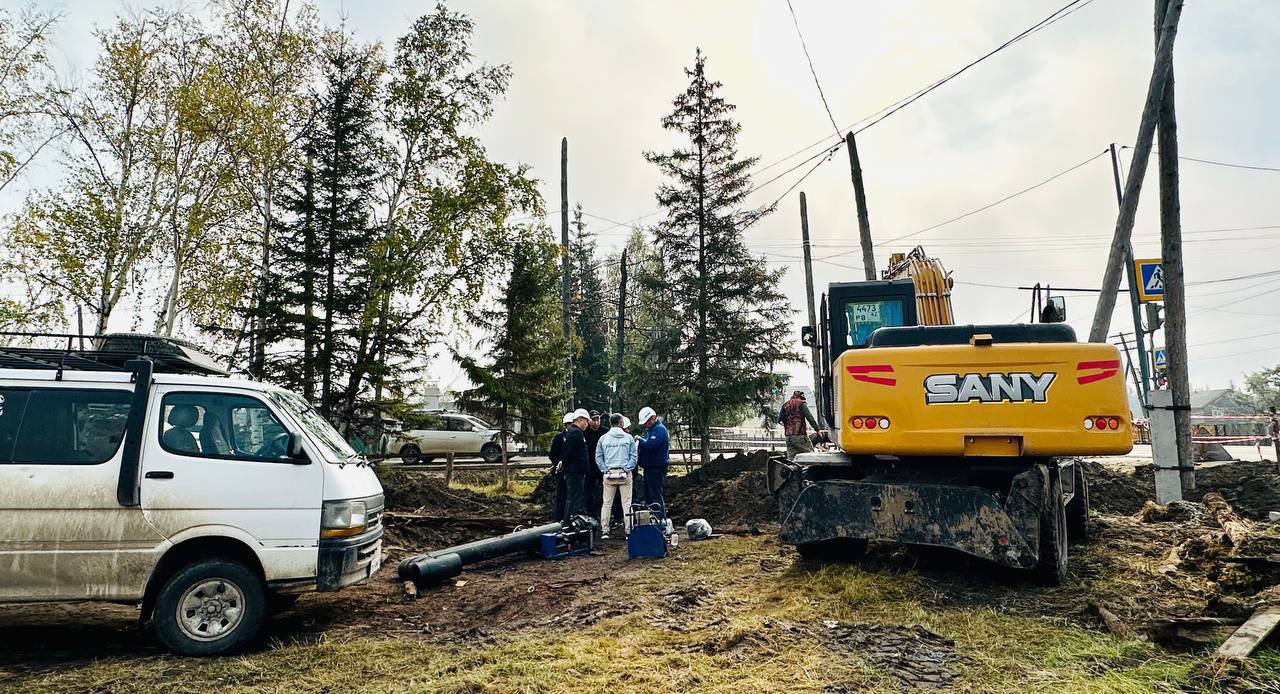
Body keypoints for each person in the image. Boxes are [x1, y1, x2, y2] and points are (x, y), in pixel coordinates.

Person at [595, 413, 637, 539]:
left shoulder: (603, 439)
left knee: (607, 503)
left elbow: (598, 457)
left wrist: (605, 470)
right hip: (624, 474)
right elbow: (634, 457)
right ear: (621, 423)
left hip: (609, 474)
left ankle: (605, 531)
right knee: (627, 503)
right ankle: (629, 531)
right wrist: (626, 469)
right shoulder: (628, 438)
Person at [636, 406, 669, 517]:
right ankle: (654, 517)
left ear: (653, 418)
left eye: (646, 422)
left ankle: (660, 518)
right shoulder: (651, 430)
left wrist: (640, 441)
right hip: (650, 467)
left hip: (656, 467)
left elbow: (651, 445)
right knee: (649, 495)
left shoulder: (659, 430)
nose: (645, 425)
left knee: (655, 495)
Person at [560, 409, 592, 522]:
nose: (587, 424)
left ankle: (571, 522)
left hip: (575, 471)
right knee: (573, 499)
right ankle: (569, 524)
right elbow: (568, 453)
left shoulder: (575, 433)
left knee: (575, 498)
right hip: (574, 472)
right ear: (580, 420)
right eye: (586, 421)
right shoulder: (576, 433)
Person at [780, 390, 822, 461]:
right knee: (811, 456)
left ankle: (794, 472)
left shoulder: (785, 405)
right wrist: (817, 429)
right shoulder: (801, 403)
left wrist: (788, 426)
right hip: (799, 435)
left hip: (788, 437)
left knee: (792, 460)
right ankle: (810, 472)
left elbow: (779, 419)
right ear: (800, 397)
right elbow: (809, 417)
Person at [548, 412, 573, 520]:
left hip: (572, 471)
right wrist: (558, 463)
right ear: (566, 425)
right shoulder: (559, 437)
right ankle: (559, 518)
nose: (572, 426)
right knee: (561, 495)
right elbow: (552, 454)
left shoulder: (576, 436)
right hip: (561, 472)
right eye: (570, 424)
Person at [585, 410, 606, 522]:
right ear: (589, 420)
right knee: (588, 491)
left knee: (607, 490)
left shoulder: (605, 432)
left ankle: (606, 513)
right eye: (594, 420)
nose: (597, 422)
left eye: (598, 419)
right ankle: (592, 514)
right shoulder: (584, 432)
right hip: (589, 467)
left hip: (603, 466)